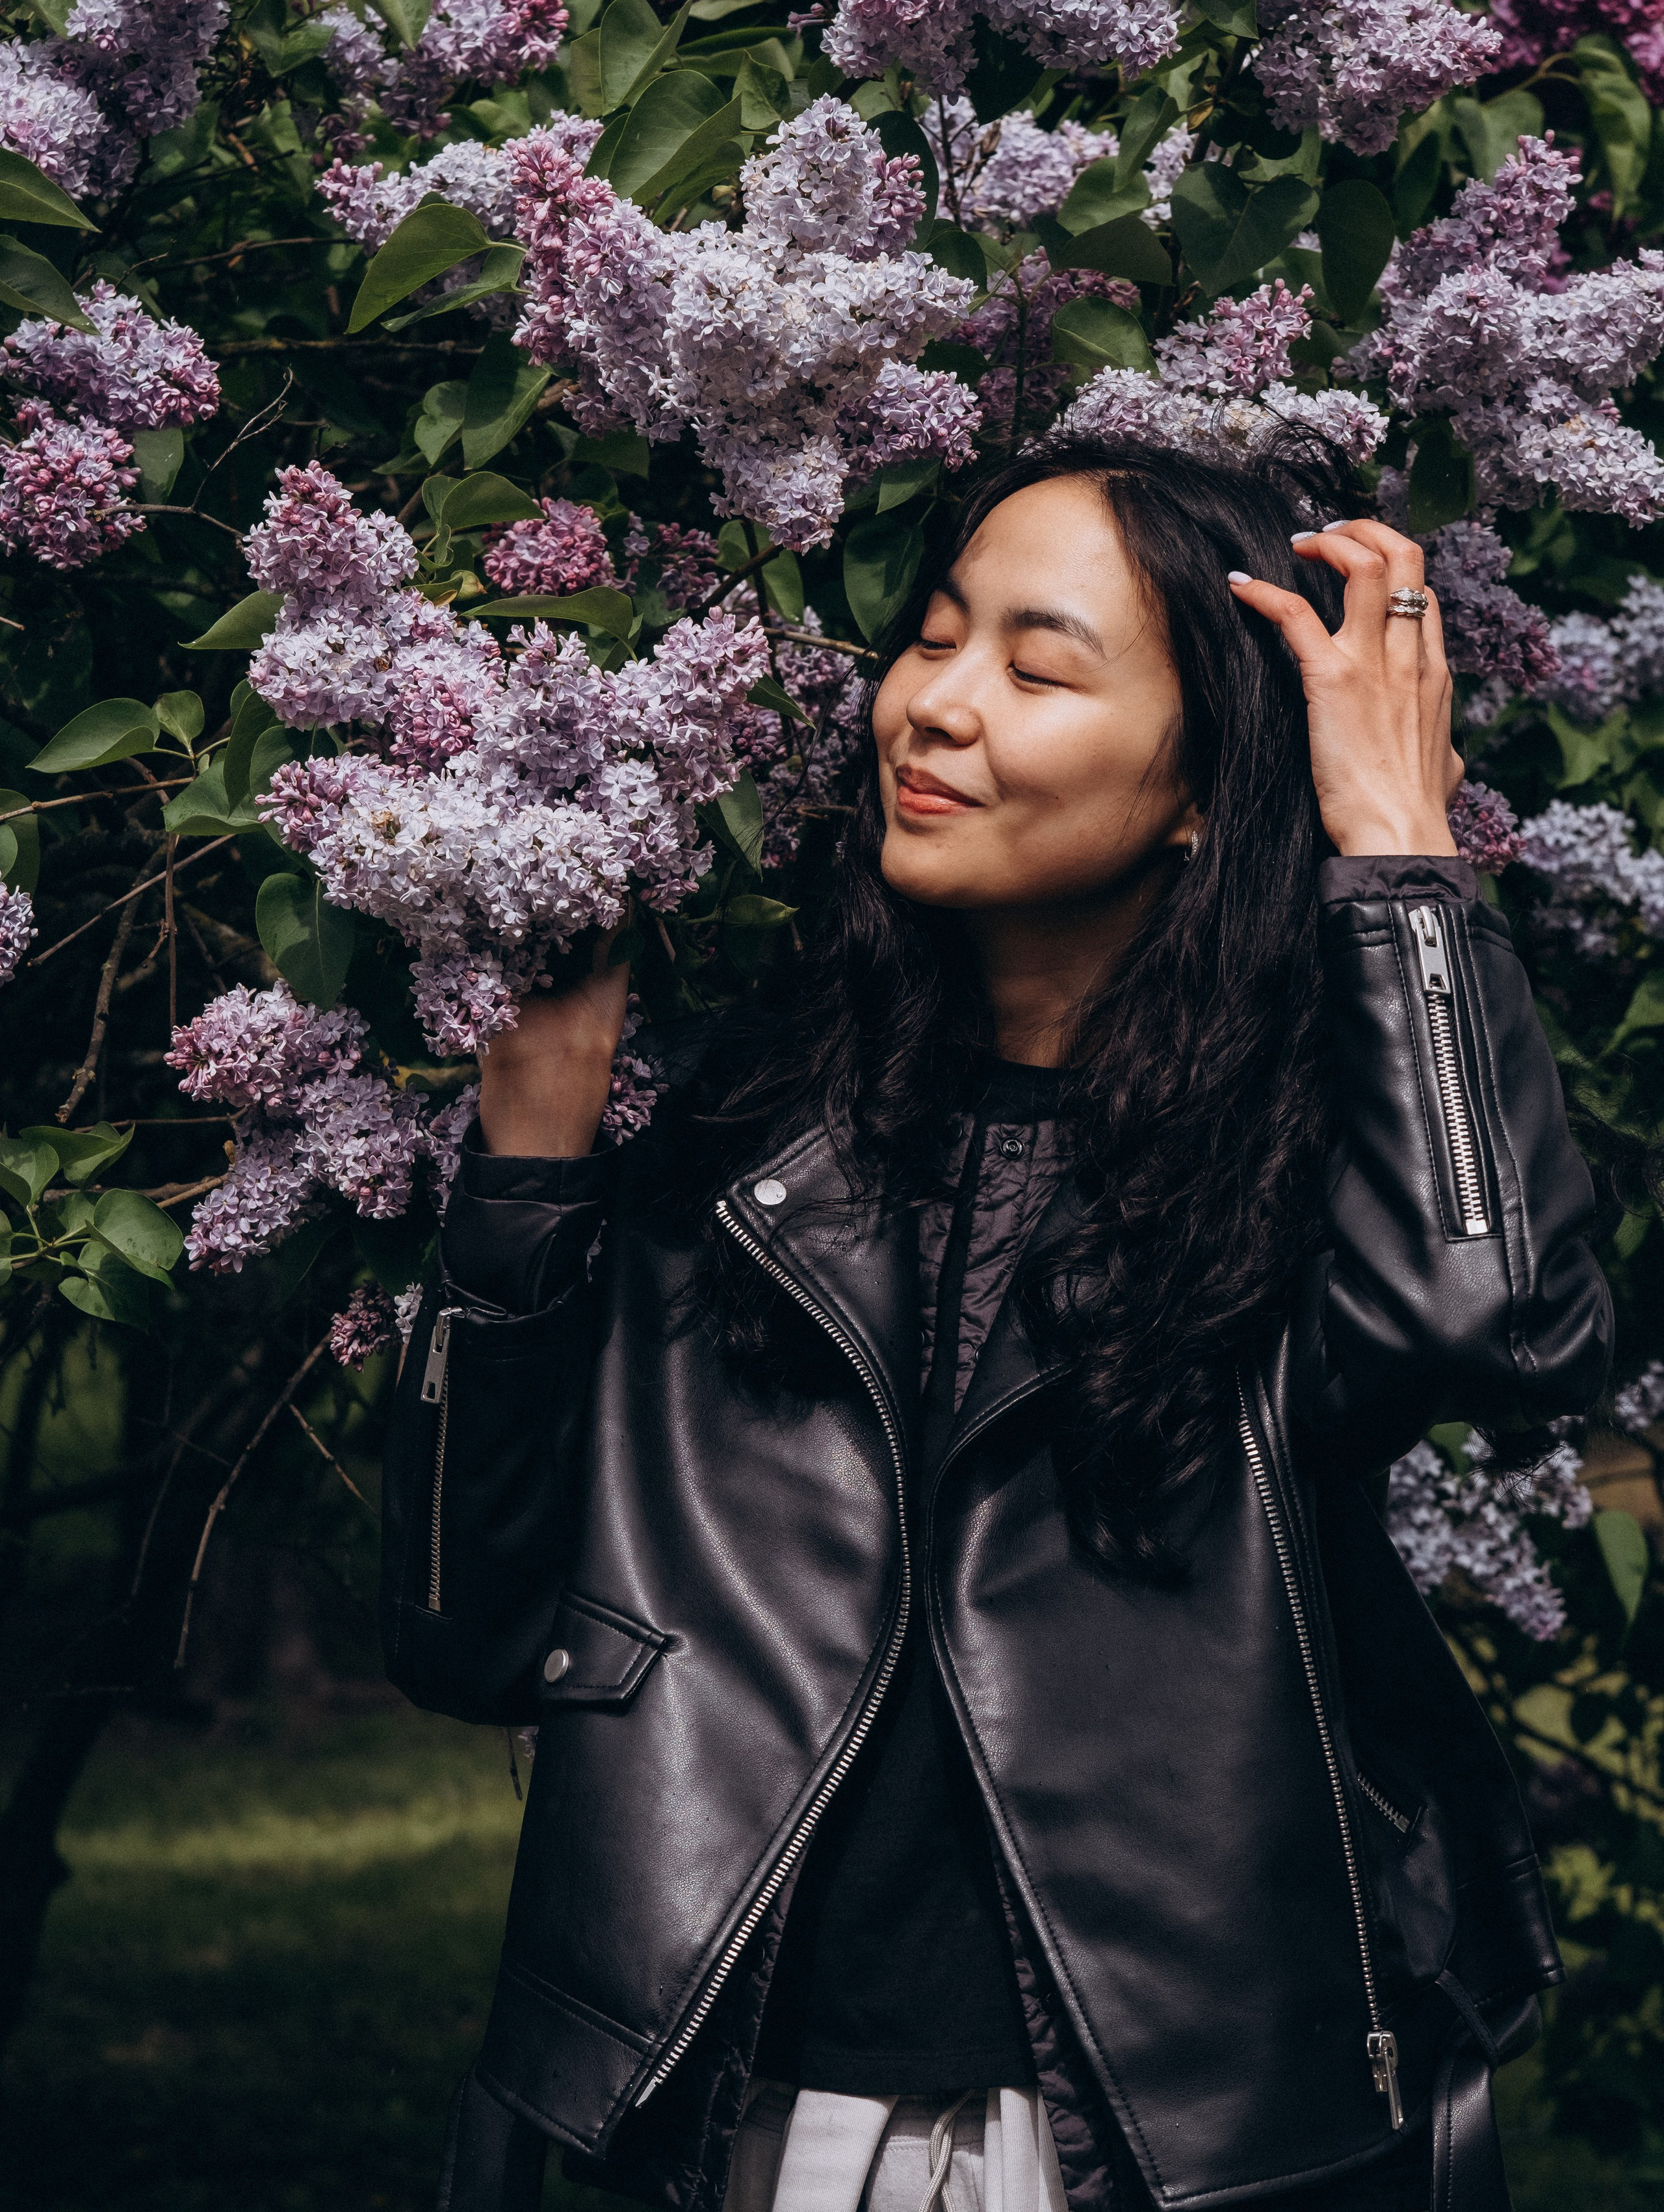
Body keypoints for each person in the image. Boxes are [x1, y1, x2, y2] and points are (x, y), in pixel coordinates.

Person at [381, 437, 1612, 2212]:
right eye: (935, 637)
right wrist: (529, 1176)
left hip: (1177, 2141)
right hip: (717, 2119)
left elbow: (1498, 1332)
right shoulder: (721, 1140)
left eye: (1038, 669)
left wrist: (1401, 852)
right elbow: (463, 1636)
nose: (936, 709)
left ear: (1204, 789)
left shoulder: (1295, 1177)